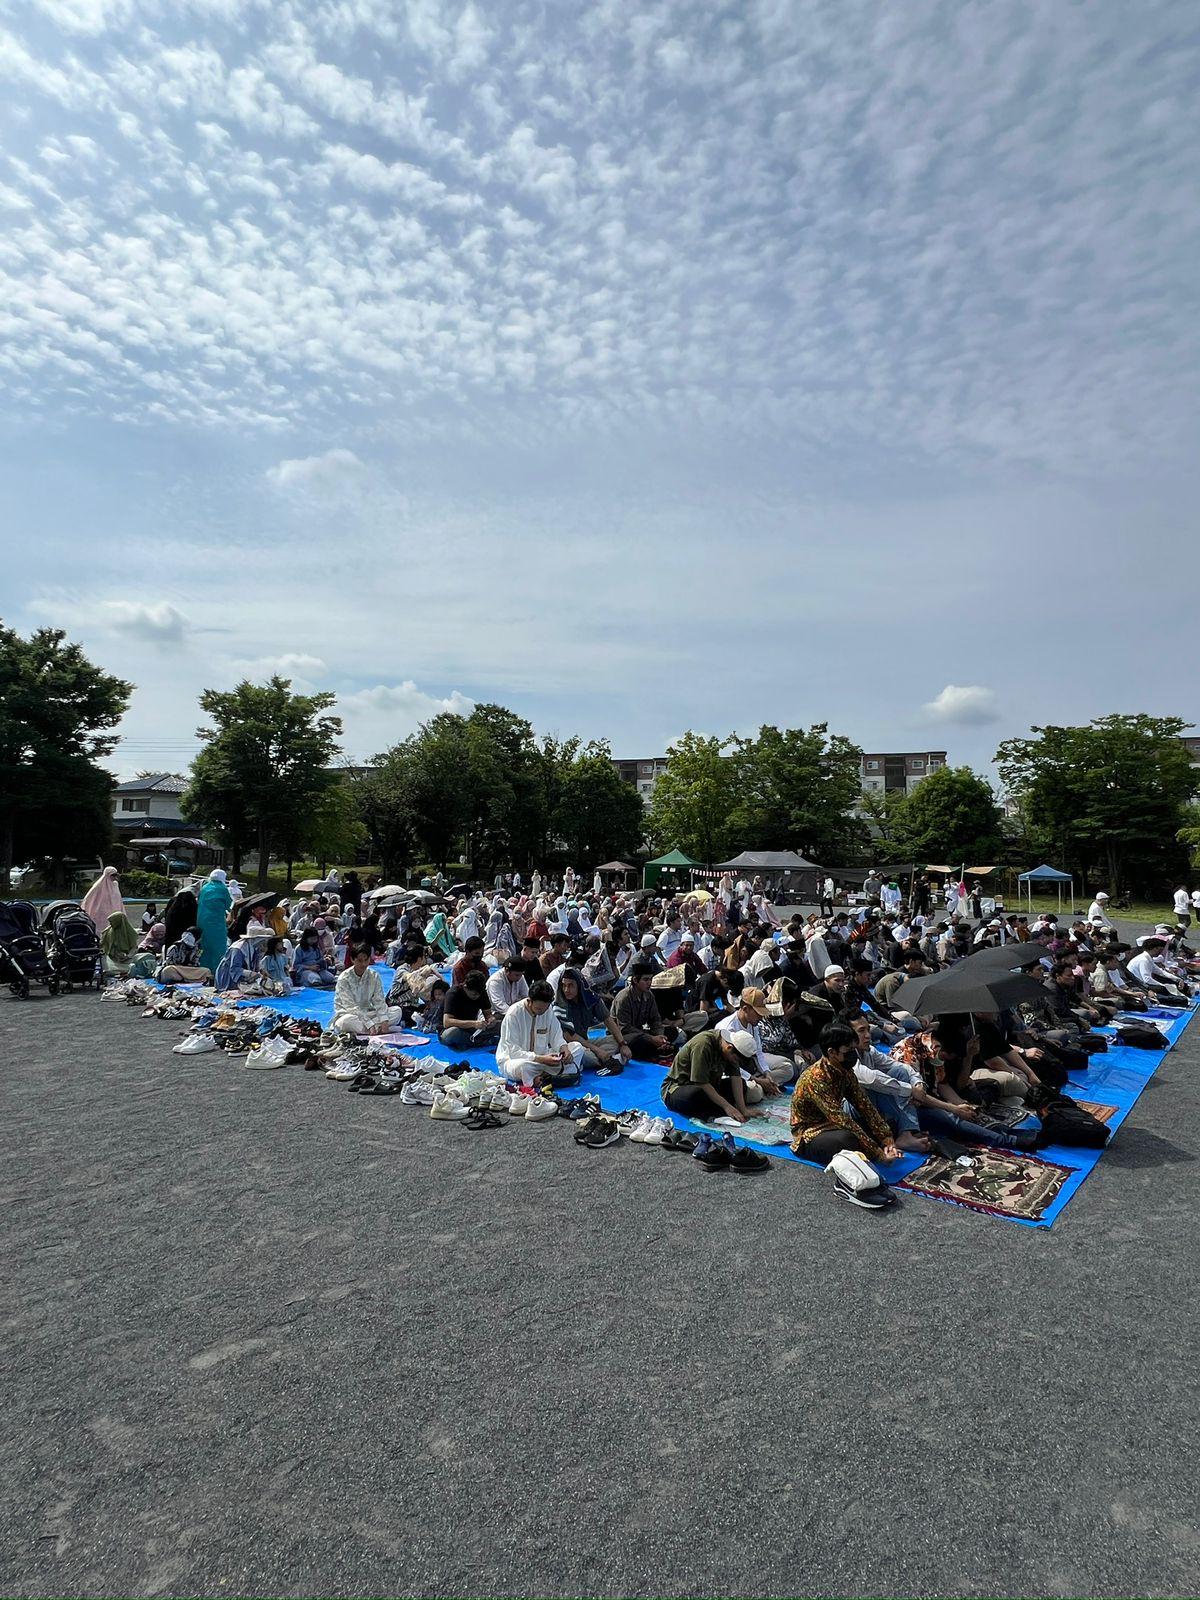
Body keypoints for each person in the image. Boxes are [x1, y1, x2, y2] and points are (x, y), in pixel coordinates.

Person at [789, 1023, 902, 1165]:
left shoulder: (845, 1070)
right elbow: (841, 1120)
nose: (853, 1054)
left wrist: (887, 1138)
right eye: (848, 1050)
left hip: (833, 1125)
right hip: (811, 1132)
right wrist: (878, 1154)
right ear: (832, 1052)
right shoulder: (815, 1079)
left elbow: (864, 1104)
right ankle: (868, 1153)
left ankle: (875, 1148)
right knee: (847, 1140)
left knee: (888, 1123)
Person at [659, 1028, 760, 1122]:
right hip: (680, 1087)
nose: (735, 1062)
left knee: (741, 1084)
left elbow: (736, 1077)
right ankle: (714, 1111)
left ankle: (714, 1108)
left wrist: (743, 1109)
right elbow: (701, 1083)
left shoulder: (731, 1050)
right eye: (736, 1060)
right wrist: (727, 1106)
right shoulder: (703, 1045)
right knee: (695, 1095)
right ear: (729, 1048)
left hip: (710, 1086)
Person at [496, 980, 573, 1085]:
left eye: (544, 1009)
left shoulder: (548, 1009)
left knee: (577, 1048)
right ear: (529, 1000)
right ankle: (548, 1076)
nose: (541, 1012)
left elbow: (556, 1036)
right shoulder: (514, 1014)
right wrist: (540, 1059)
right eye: (538, 1008)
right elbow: (513, 1051)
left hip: (543, 1059)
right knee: (524, 1067)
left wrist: (563, 1048)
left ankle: (542, 1077)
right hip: (516, 1061)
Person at [554, 968, 630, 1070]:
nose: (566, 990)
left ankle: (606, 1059)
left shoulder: (590, 998)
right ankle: (610, 1059)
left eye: (571, 985)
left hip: (585, 1042)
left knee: (615, 1041)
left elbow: (608, 1020)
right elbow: (569, 1036)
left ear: (579, 986)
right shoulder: (560, 1004)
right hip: (570, 1047)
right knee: (585, 1056)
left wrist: (622, 1044)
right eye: (564, 985)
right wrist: (597, 1051)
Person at [333, 945, 405, 1035]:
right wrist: (369, 1024)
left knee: (397, 1011)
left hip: (369, 1012)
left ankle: (371, 1030)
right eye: (359, 961)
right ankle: (377, 1029)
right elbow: (350, 1006)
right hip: (351, 1014)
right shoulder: (344, 979)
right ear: (352, 960)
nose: (363, 964)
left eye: (366, 960)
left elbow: (379, 1001)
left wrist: (384, 1020)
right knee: (344, 1022)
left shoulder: (374, 976)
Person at [610, 963, 675, 1059]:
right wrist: (651, 1039)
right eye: (646, 980)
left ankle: (661, 1046)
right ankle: (658, 1049)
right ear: (635, 980)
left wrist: (659, 1036)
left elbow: (655, 1019)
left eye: (650, 979)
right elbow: (624, 1028)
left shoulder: (649, 995)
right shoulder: (623, 998)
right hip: (622, 1035)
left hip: (640, 1032)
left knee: (672, 1031)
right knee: (641, 1044)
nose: (649, 983)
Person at [440, 971, 501, 1049]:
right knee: (452, 1033)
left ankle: (473, 1041)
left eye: (479, 994)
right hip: (451, 1029)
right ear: (465, 987)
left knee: (501, 1025)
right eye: (474, 994)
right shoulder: (453, 994)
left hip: (471, 1030)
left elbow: (488, 1014)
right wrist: (473, 1023)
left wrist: (491, 1020)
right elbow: (447, 1022)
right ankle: (482, 1041)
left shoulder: (481, 993)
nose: (477, 997)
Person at [195, 868, 233, 974]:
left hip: (202, 922)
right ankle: (218, 973)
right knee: (218, 948)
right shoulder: (222, 888)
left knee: (204, 948)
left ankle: (204, 972)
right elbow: (229, 905)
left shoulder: (205, 888)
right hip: (216, 923)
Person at [213, 925, 270, 992]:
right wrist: (251, 974)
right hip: (227, 976)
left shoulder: (255, 947)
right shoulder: (238, 949)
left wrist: (261, 970)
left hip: (241, 977)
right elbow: (234, 968)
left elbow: (255, 962)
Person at [99, 909, 140, 977]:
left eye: (112, 922)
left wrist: (128, 956)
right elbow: (102, 945)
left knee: (133, 967)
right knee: (108, 968)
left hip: (126, 958)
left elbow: (134, 947)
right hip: (113, 958)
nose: (111, 924)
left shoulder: (130, 933)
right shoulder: (107, 931)